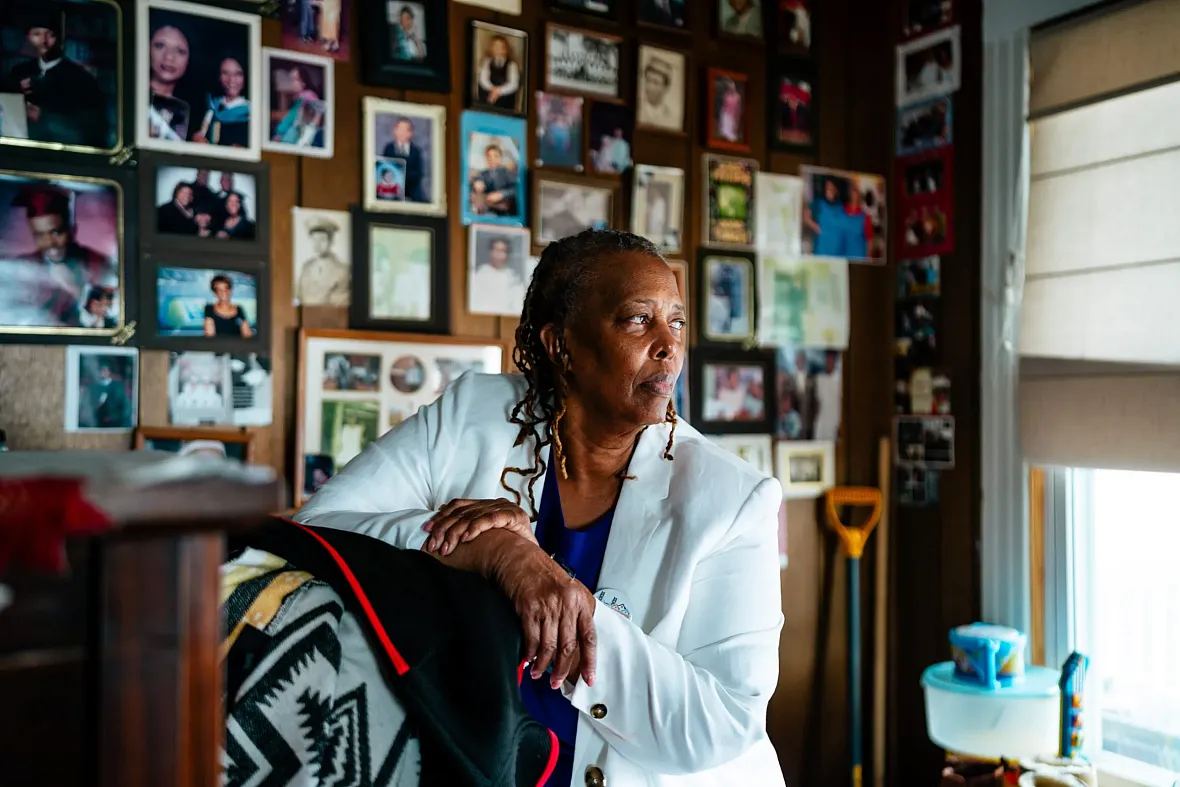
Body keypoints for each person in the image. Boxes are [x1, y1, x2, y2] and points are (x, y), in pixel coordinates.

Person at [294, 229, 786, 786]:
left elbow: (721, 722)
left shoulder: (733, 497)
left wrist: (566, 604)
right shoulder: (471, 415)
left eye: (675, 321)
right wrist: (491, 551)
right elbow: (318, 528)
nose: (668, 346)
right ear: (562, 346)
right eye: (636, 320)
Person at [13, 185, 118, 327]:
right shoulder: (23, 268)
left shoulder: (100, 264)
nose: (49, 243)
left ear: (71, 229)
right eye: (39, 235)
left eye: (56, 232)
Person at [6, 5, 109, 149]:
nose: (44, 41)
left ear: (61, 37)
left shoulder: (81, 80)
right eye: (37, 34)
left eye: (51, 34)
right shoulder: (18, 73)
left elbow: (93, 130)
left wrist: (44, 116)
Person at [147, 23, 192, 141]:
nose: (169, 57)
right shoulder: (127, 97)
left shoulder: (191, 113)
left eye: (180, 51)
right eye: (160, 46)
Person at [193, 57, 250, 147]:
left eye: (238, 74)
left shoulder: (251, 112)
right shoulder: (212, 106)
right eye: (225, 73)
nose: (231, 80)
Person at [297, 215, 350, 306]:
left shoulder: (343, 270)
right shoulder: (306, 267)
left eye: (322, 240)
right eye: (314, 239)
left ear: (331, 241)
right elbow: (298, 296)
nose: (317, 244)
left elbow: (340, 304)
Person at [470, 236, 525, 314]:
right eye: (496, 250)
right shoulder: (479, 274)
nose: (499, 254)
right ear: (491, 252)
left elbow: (518, 306)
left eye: (503, 251)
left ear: (507, 254)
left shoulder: (513, 278)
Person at [272, 66, 324, 148]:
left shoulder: (309, 95)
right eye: (290, 80)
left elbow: (318, 114)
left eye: (295, 79)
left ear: (303, 82)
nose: (292, 83)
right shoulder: (296, 99)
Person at [381, 118, 426, 202]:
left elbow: (418, 172)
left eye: (406, 130)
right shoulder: (389, 149)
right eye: (400, 129)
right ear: (395, 131)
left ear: (410, 133)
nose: (402, 133)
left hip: (412, 189)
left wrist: (405, 178)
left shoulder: (415, 151)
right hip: (392, 187)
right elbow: (384, 168)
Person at [804, 176, 848, 257]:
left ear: (836, 190)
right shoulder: (818, 203)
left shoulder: (841, 207)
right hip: (821, 251)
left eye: (832, 188)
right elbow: (806, 217)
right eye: (827, 188)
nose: (829, 191)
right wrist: (817, 228)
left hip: (838, 253)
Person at [470, 143, 517, 216]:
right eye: (489, 156)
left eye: (495, 156)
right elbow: (477, 181)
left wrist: (501, 194)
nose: (492, 159)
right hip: (486, 212)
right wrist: (476, 184)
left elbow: (515, 189)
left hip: (503, 214)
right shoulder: (482, 174)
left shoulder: (506, 173)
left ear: (500, 158)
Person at [476, 34, 521, 111]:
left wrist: (499, 91)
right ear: (491, 48)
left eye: (501, 47)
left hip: (505, 98)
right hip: (489, 96)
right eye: (495, 46)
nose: (498, 49)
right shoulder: (486, 62)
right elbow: (483, 80)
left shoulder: (512, 65)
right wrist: (493, 90)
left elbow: (514, 84)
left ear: (506, 49)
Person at [203, 274, 253, 338]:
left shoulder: (239, 309)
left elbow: (247, 334)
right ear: (215, 292)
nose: (223, 292)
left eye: (226, 288)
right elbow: (210, 336)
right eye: (219, 289)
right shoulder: (209, 309)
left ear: (230, 290)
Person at [82, 362, 130, 429]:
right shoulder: (95, 387)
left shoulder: (116, 386)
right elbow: (93, 405)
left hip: (115, 420)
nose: (103, 372)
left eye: (105, 370)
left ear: (109, 372)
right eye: (102, 370)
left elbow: (121, 402)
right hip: (100, 421)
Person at [637, 55, 679, 130]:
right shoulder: (637, 109)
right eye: (648, 80)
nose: (649, 87)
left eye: (655, 83)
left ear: (666, 88)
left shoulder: (672, 118)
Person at [717, 78, 743, 142]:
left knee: (732, 135)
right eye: (730, 87)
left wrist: (737, 118)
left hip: (732, 116)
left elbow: (738, 108)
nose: (732, 88)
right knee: (724, 132)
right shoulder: (726, 95)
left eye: (732, 86)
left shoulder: (737, 96)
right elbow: (724, 105)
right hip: (725, 114)